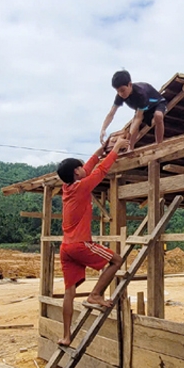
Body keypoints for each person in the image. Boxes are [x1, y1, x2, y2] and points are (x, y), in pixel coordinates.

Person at [55, 135, 129, 346]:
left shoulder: (67, 188)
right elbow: (100, 171)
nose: (83, 169)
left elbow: (88, 167)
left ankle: (66, 336)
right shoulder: (82, 187)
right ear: (76, 172)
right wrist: (116, 150)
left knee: (69, 292)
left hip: (66, 247)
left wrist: (101, 150)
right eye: (80, 168)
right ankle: (95, 294)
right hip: (80, 244)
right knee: (116, 260)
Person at [100, 70, 166, 149]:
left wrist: (128, 136)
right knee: (134, 125)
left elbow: (138, 118)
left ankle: (159, 144)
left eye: (122, 90)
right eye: (118, 91)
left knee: (158, 116)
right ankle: (130, 149)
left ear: (130, 85)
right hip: (143, 108)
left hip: (157, 104)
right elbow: (111, 113)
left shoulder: (140, 94)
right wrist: (103, 129)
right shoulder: (120, 96)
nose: (121, 94)